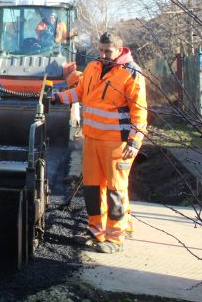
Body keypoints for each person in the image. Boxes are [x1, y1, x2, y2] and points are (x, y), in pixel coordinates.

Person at [51, 30, 147, 253]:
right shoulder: (94, 68)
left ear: (119, 49)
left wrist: (134, 143)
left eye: (108, 51)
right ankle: (97, 231)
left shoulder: (131, 74)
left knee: (115, 190)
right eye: (101, 51)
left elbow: (140, 113)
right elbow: (81, 93)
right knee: (93, 188)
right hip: (92, 138)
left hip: (117, 144)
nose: (103, 55)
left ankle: (115, 238)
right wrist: (57, 98)